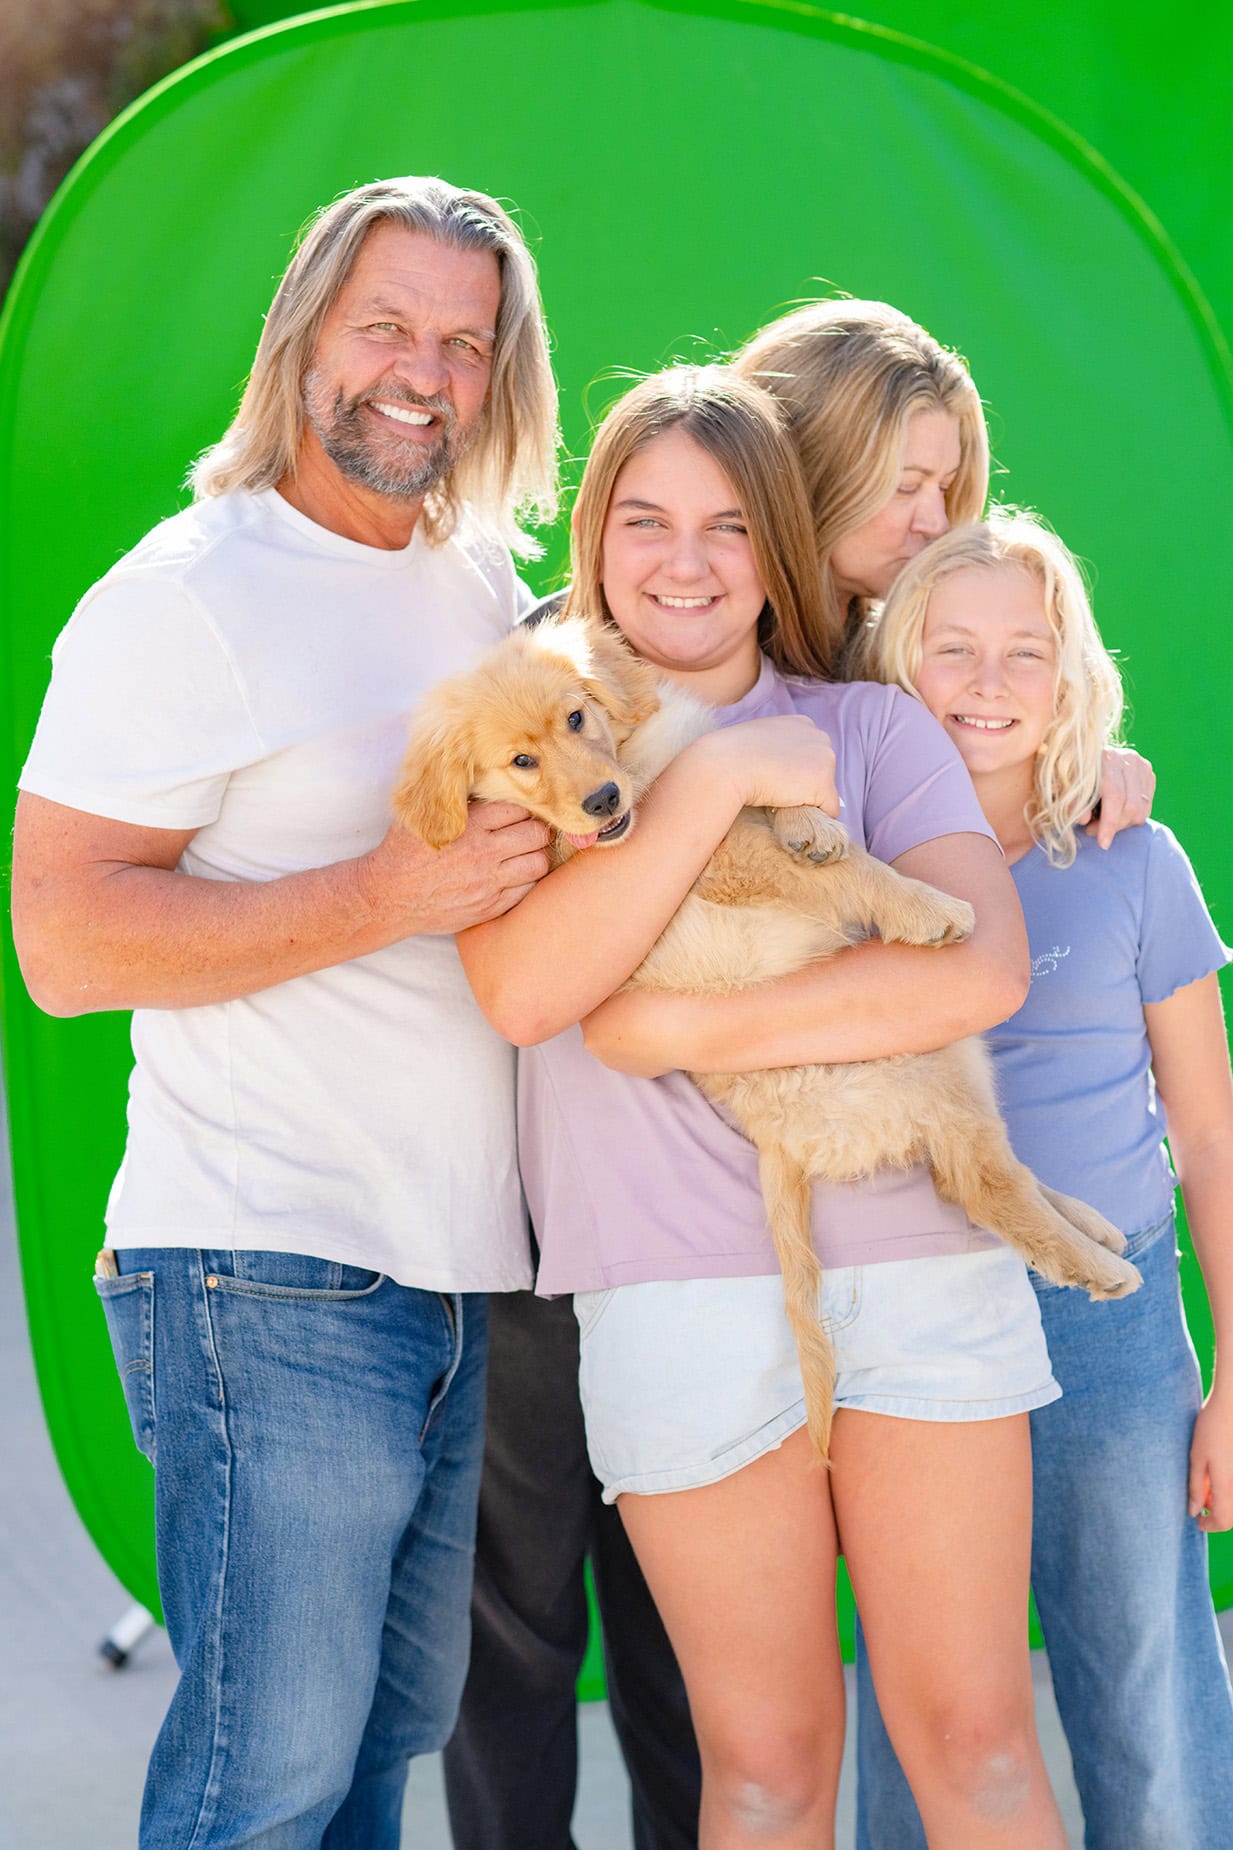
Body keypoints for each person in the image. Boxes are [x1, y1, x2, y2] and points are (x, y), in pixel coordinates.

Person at [10, 175, 561, 1850]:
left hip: (456, 1277)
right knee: (263, 1782)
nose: (421, 372)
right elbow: (61, 938)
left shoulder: (476, 585)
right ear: (303, 338)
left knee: (369, 1758)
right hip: (266, 1267)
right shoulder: (186, 594)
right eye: (385, 326)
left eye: (463, 344)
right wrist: (382, 895)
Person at [460, 362, 1077, 1849]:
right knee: (764, 1771)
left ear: (776, 552)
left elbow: (973, 969)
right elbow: (530, 994)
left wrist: (682, 1021)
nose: (685, 561)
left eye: (729, 526)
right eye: (649, 520)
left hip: (920, 1268)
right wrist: (713, 772)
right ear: (596, 533)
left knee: (978, 1740)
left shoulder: (866, 732)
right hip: (668, 1290)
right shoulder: (530, 747)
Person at [854, 510, 1233, 1850]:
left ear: (1070, 677)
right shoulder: (850, 870)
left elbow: (1205, 1124)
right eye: (951, 649)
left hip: (1112, 1320)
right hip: (914, 1322)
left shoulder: (1132, 857)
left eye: (1026, 652)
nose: (987, 682)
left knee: (1145, 1684)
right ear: (896, 667)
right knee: (922, 1701)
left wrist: (1231, 1376)